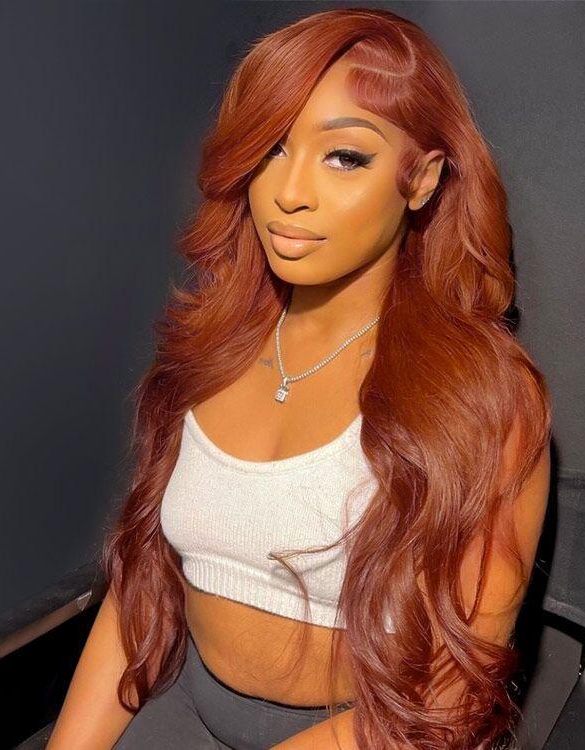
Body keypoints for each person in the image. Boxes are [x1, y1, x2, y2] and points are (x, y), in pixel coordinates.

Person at [47, 7, 552, 750]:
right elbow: (140, 591)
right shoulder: (212, 345)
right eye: (272, 148)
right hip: (184, 704)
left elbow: (450, 699)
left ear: (422, 179)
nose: (290, 191)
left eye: (344, 157)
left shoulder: (486, 398)